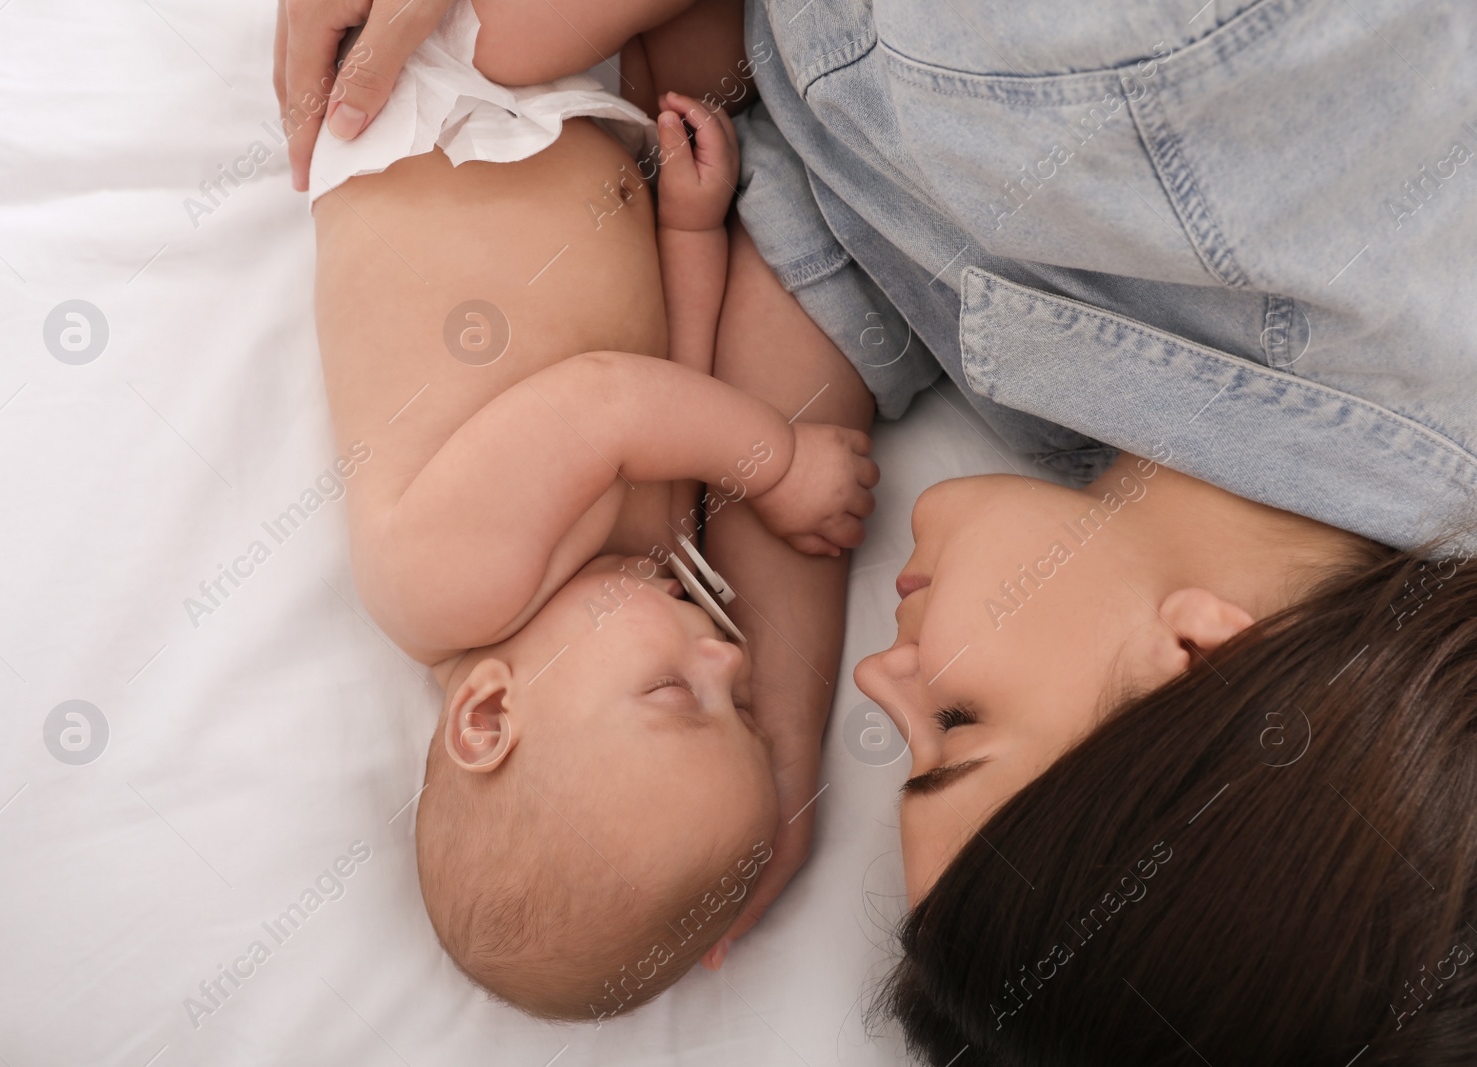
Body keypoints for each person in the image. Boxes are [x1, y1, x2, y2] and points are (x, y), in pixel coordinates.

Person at [282, 0, 1477, 1057]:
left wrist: (775, 727)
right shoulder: (1216, 88)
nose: (876, 674)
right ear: (1194, 656)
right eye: (953, 726)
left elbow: (836, 256)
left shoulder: (1148, 471)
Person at [306, 0, 876, 1021]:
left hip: (445, 106)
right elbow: (677, 373)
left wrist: (776, 459)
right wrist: (691, 229)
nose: (727, 656)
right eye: (741, 707)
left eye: (672, 693)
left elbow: (608, 400)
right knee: (726, 70)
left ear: (489, 714)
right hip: (594, 134)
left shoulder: (442, 586)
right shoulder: (639, 578)